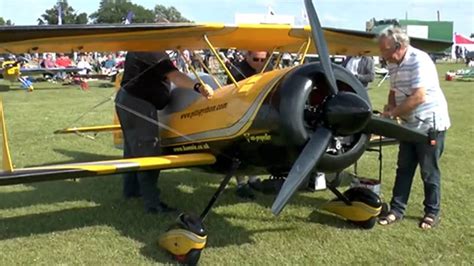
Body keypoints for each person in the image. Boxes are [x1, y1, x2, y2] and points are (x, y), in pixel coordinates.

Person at [115, 51, 213, 214]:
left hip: (129, 100)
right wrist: (198, 86)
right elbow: (175, 76)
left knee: (133, 150)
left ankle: (131, 191)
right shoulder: (153, 52)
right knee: (149, 151)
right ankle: (153, 204)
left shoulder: (141, 48)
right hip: (138, 103)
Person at [376, 27, 450, 229]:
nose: (382, 54)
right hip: (409, 125)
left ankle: (431, 213)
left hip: (430, 124)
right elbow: (393, 90)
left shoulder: (420, 60)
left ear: (398, 47)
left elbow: (419, 96)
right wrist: (390, 106)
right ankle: (397, 210)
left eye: (385, 50)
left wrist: (393, 114)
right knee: (404, 168)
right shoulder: (393, 63)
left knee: (428, 171)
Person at [227, 51, 271, 199]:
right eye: (256, 59)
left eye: (263, 59)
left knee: (257, 147)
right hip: (240, 113)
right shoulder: (236, 70)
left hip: (260, 113)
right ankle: (241, 184)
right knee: (241, 149)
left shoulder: (269, 67)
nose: (259, 62)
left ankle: (253, 179)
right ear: (247, 57)